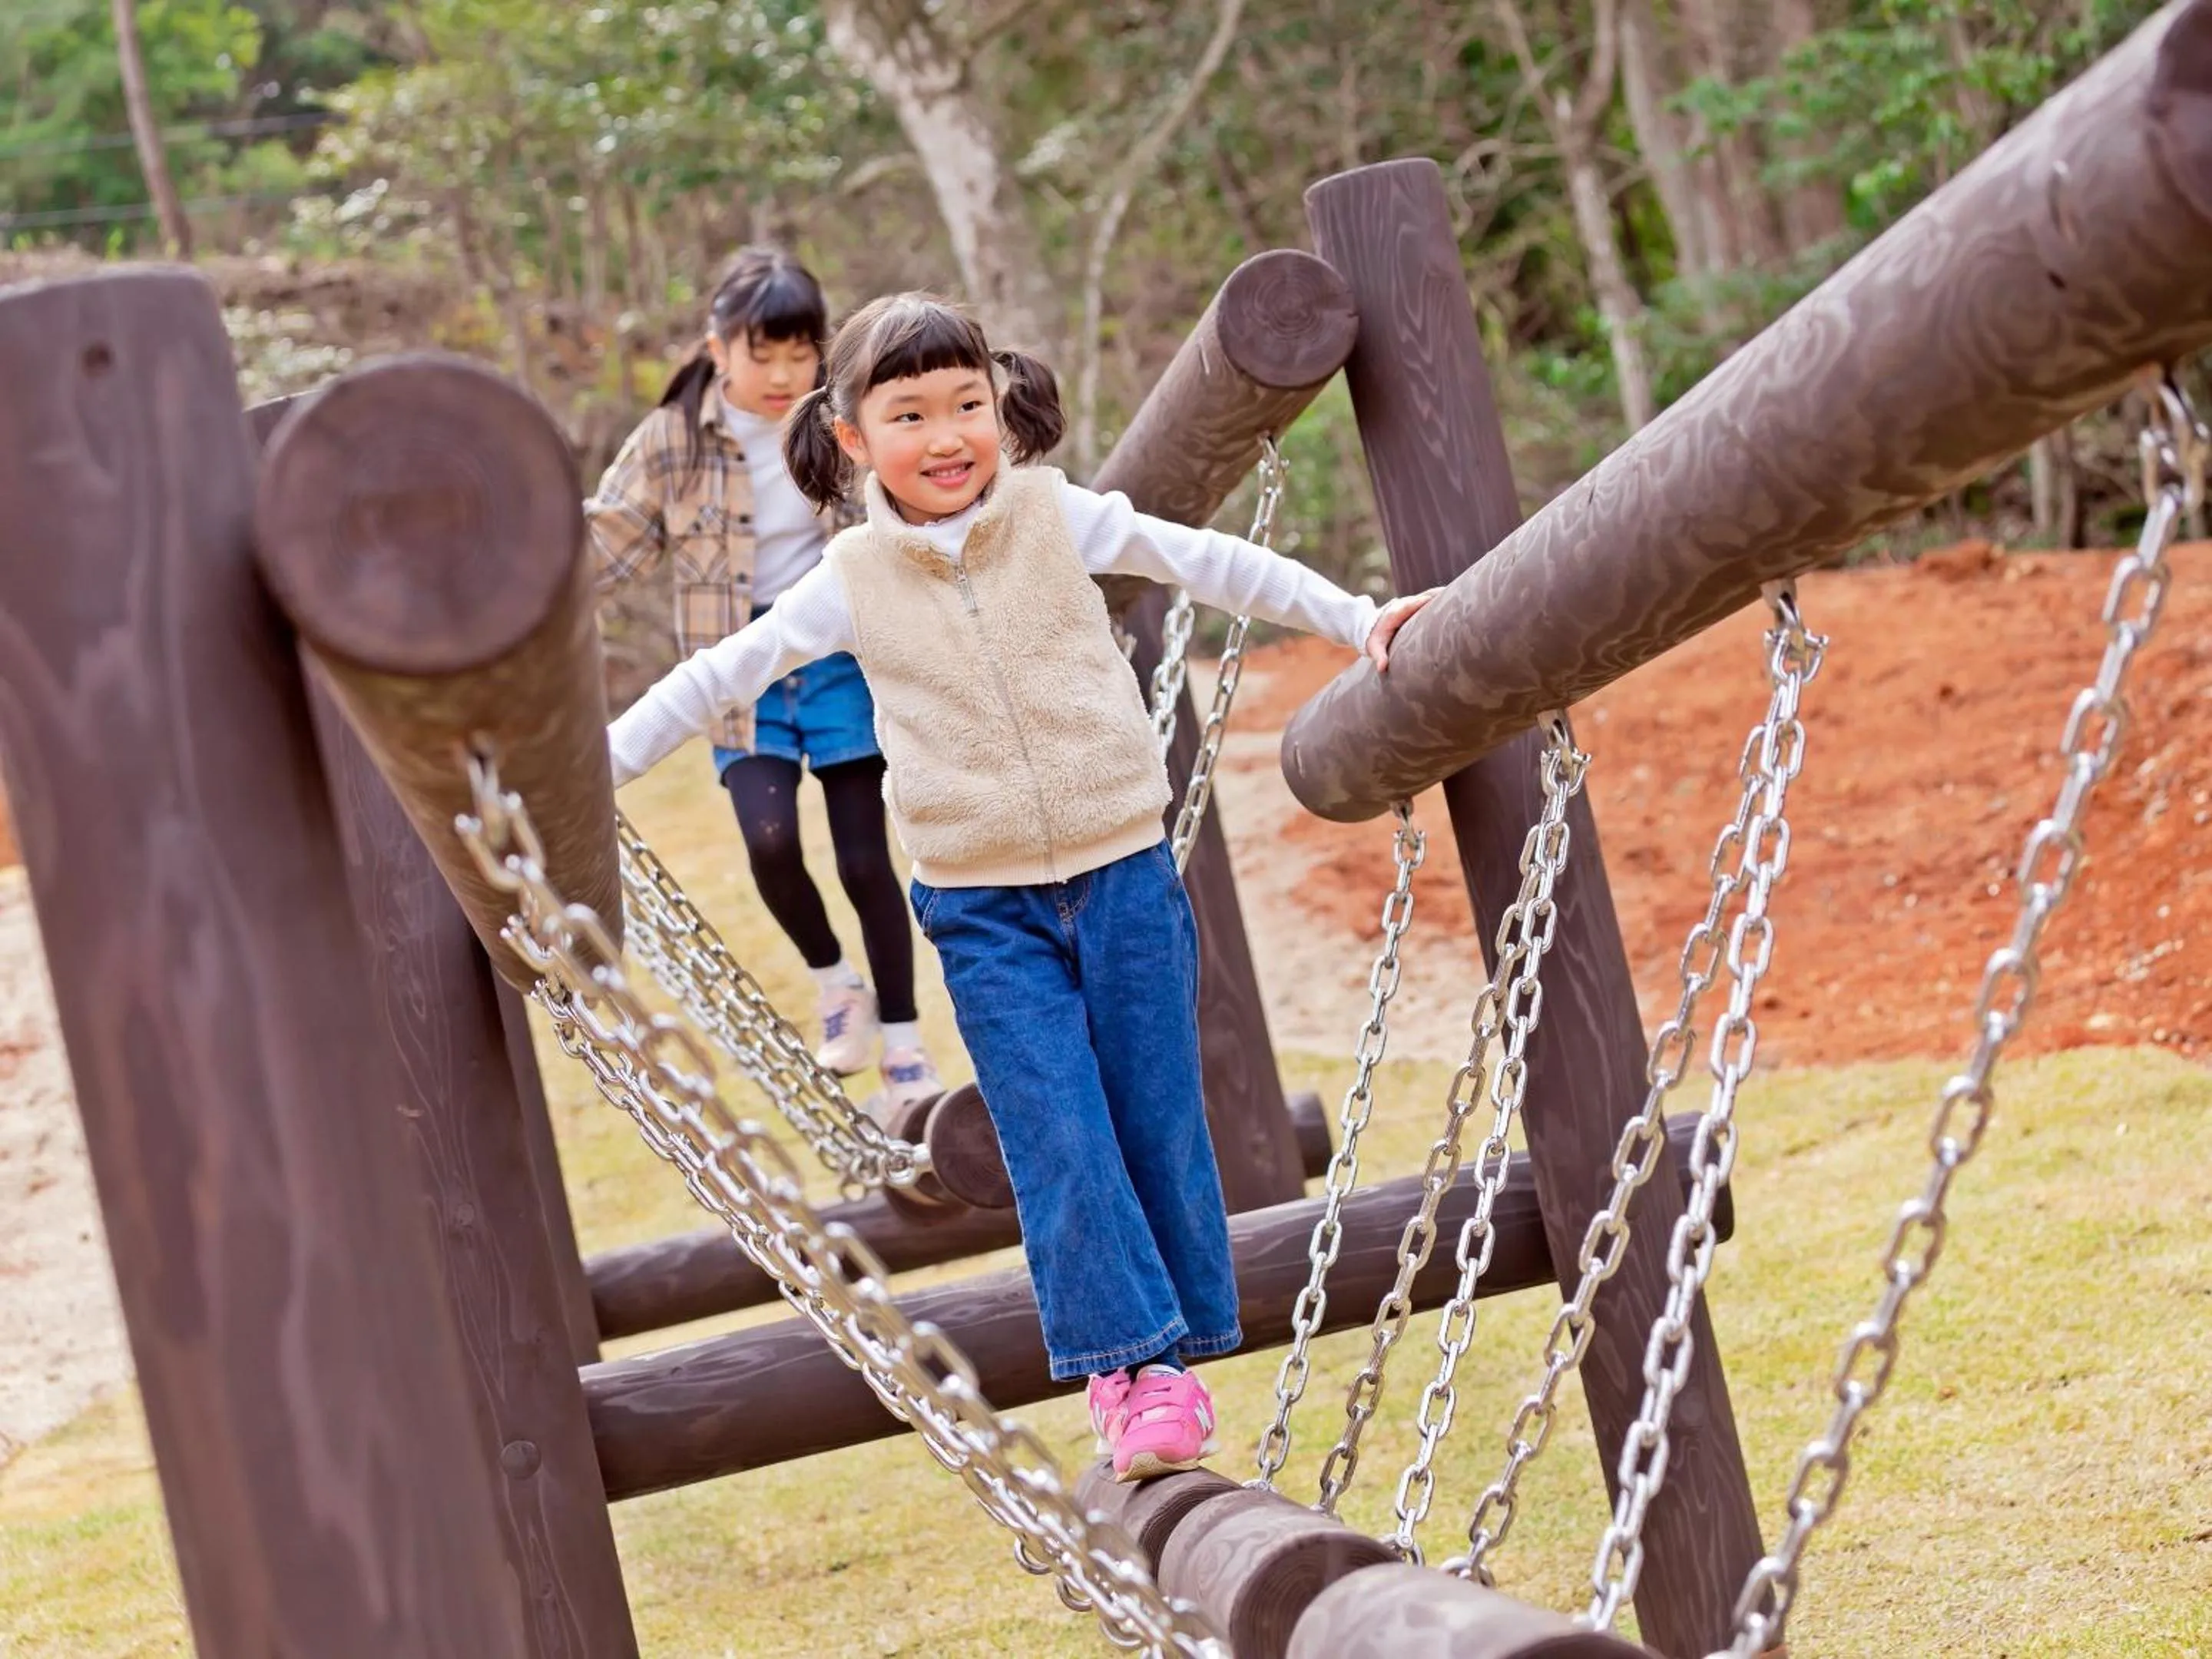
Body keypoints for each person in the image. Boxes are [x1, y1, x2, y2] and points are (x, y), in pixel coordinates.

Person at [604, 293, 1433, 1482]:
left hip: (1124, 874)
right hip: (981, 906)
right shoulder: (851, 576)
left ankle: (1174, 1349)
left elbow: (1209, 562)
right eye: (909, 415)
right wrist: (595, 772)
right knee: (1055, 1130)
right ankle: (1135, 1375)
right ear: (850, 437)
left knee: (1154, 1113)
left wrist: (1359, 618)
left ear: (1001, 406)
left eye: (966, 406)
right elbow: (711, 679)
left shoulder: (1059, 516)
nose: (946, 436)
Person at [587, 250, 940, 1111]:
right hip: (738, 669)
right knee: (770, 842)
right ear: (718, 350)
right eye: (764, 356)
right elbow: (605, 543)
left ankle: (904, 1042)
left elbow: (915, 502)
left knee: (866, 858)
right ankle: (835, 984)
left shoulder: (842, 423)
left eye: (800, 354)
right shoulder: (674, 438)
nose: (785, 375)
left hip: (839, 659)